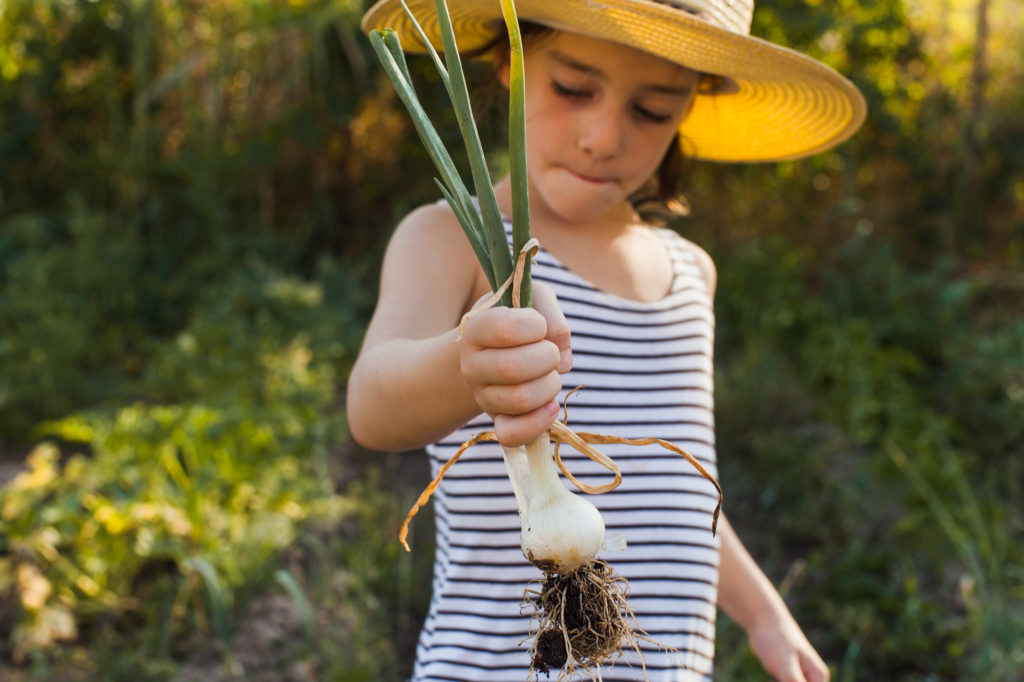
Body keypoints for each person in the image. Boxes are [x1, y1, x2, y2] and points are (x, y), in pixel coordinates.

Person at [350, 0, 866, 680]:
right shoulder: (455, 237)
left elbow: (672, 487)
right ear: (510, 62)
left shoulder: (689, 274)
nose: (603, 137)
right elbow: (372, 407)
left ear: (690, 107)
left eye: (651, 110)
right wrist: (465, 366)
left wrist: (764, 611)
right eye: (572, 89)